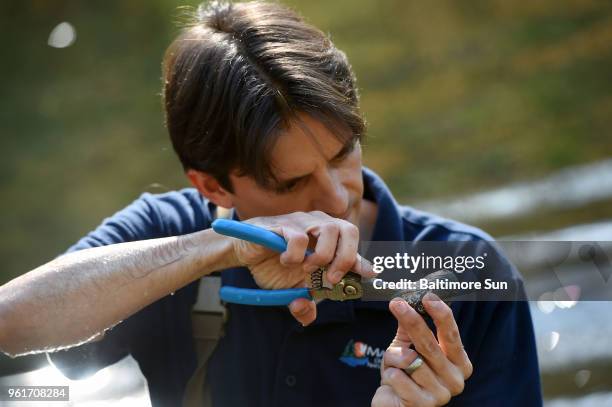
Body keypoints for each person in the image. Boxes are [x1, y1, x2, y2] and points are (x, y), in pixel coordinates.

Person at [0, 1, 542, 406]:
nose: (337, 198)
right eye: (290, 184)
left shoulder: (467, 269)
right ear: (212, 187)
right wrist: (218, 250)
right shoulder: (169, 233)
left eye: (343, 153)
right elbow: (11, 322)